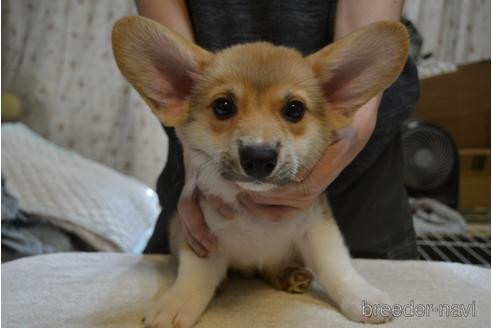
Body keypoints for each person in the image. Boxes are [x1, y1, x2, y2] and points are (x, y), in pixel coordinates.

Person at [137, 0, 420, 259]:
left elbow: (372, 45)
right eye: (225, 106)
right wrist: (195, 149)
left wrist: (352, 129)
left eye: (292, 110)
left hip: (356, 180)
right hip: (206, 167)